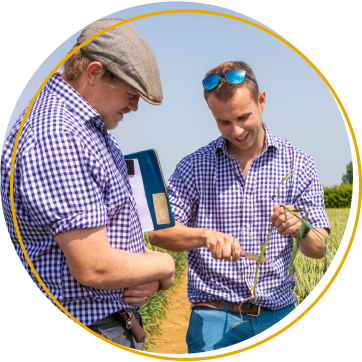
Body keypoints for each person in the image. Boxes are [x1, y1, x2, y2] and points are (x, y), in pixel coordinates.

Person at [1, 18, 175, 351]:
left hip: (109, 320)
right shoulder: (59, 135)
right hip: (91, 324)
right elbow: (93, 267)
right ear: (94, 73)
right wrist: (164, 265)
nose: (134, 106)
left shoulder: (88, 131)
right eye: (130, 93)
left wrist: (141, 276)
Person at [149, 61, 331, 354]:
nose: (236, 130)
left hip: (280, 314)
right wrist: (206, 237)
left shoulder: (299, 164)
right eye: (223, 122)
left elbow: (319, 248)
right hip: (212, 317)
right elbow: (160, 232)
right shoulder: (193, 166)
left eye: (243, 117)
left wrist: (302, 229)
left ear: (261, 101)